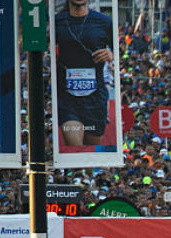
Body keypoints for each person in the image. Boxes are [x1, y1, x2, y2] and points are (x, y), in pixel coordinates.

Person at [55, 0, 116, 147]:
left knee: (90, 153)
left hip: (95, 97)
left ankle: (89, 170)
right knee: (76, 147)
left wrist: (110, 54)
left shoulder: (105, 22)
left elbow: (119, 53)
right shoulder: (55, 22)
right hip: (67, 96)